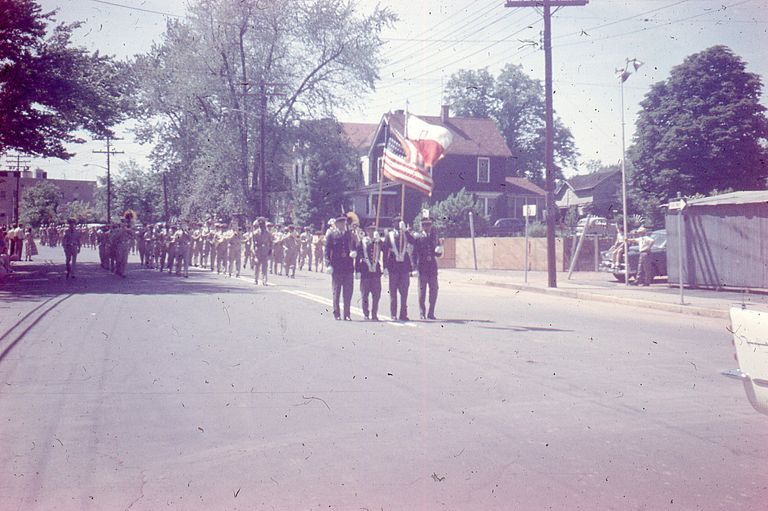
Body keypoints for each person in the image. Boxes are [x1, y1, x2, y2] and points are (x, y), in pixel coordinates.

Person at [407, 217, 442, 320]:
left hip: (432, 267)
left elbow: (437, 253)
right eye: (425, 225)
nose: (427, 227)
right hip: (422, 267)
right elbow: (413, 254)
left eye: (429, 225)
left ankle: (431, 313)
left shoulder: (435, 237)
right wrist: (414, 268)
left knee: (434, 290)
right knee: (422, 292)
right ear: (421, 226)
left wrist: (439, 251)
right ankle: (422, 313)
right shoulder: (418, 237)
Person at [325, 215, 355, 320]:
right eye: (341, 223)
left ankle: (347, 314)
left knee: (348, 292)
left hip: (348, 267)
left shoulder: (349, 235)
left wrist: (353, 251)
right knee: (336, 292)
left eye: (344, 223)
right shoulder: (331, 235)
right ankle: (336, 313)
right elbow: (327, 252)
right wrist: (328, 264)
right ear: (337, 224)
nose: (343, 225)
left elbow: (354, 246)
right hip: (337, 267)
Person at [383, 216, 412, 321]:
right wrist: (385, 267)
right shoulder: (389, 235)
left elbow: (413, 241)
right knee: (393, 293)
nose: (398, 223)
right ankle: (393, 314)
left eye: (400, 221)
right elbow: (385, 251)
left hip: (404, 267)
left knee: (404, 293)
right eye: (396, 221)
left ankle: (403, 314)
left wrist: (406, 231)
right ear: (393, 223)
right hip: (393, 267)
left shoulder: (405, 234)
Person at [355, 223, 383, 321]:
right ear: (367, 231)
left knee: (376, 294)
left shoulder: (377, 242)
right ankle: (366, 314)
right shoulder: (362, 242)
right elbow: (358, 257)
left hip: (376, 272)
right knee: (365, 294)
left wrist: (379, 240)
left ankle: (374, 314)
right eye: (370, 229)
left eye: (373, 229)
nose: (371, 231)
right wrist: (357, 270)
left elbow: (385, 248)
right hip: (365, 271)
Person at [252, 218, 272, 285]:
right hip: (258, 250)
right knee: (257, 265)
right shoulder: (255, 233)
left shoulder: (268, 233)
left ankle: (264, 280)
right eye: (260, 225)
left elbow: (271, 242)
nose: (262, 226)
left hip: (265, 250)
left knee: (265, 266)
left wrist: (270, 250)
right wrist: (253, 251)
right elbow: (253, 243)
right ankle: (255, 279)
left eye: (263, 225)